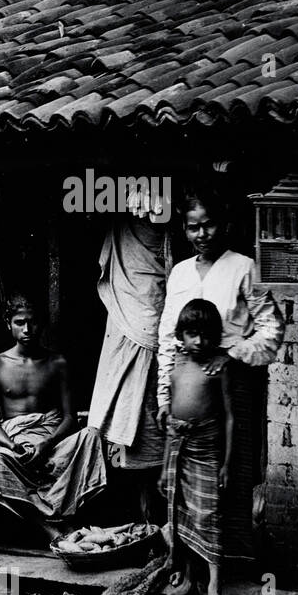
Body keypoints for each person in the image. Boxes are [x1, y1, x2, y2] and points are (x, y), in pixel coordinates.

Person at [156, 183, 282, 568]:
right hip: (188, 388)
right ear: (184, 228)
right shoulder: (179, 273)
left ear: (222, 224)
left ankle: (232, 567)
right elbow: (166, 337)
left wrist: (232, 354)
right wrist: (164, 398)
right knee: (183, 483)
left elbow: (271, 330)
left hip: (233, 386)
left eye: (208, 225)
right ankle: (188, 570)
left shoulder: (243, 267)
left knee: (231, 477)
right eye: (193, 227)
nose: (201, 235)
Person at [0, 293, 107, 540]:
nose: (27, 329)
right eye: (19, 323)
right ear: (9, 324)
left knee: (91, 435)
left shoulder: (57, 362)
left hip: (55, 446)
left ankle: (66, 518)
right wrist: (12, 445)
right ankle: (49, 529)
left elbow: (70, 417)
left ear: (42, 323)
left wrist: (46, 443)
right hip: (17, 451)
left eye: (33, 322)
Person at [87, 215, 169, 505]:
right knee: (123, 416)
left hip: (153, 320)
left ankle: (152, 518)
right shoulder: (124, 221)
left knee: (151, 423)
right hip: (127, 320)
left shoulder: (170, 245)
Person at [159, 300, 234, 595]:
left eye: (205, 335)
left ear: (214, 336)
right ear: (181, 335)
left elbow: (230, 416)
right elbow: (171, 426)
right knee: (181, 515)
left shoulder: (218, 366)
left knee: (209, 514)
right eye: (191, 334)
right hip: (180, 449)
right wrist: (164, 467)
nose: (199, 342)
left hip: (207, 448)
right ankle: (189, 579)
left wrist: (228, 463)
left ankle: (214, 584)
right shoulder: (175, 364)